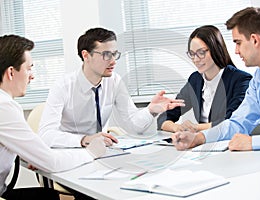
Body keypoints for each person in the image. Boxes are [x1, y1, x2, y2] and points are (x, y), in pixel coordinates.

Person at [172, 7, 260, 151]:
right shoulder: (258, 80)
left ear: (254, 40)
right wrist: (199, 138)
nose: (236, 51)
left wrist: (253, 143)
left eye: (238, 43)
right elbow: (237, 123)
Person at [38, 27, 184, 148]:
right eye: (106, 55)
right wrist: (84, 139)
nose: (113, 61)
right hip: (70, 152)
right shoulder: (63, 86)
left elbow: (133, 125)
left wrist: (151, 110)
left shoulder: (114, 81)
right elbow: (46, 135)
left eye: (114, 54)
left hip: (102, 152)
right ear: (86, 55)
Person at [0, 34, 106, 200]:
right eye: (29, 68)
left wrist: (32, 154)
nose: (32, 76)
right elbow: (51, 162)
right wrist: (91, 153)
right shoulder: (4, 106)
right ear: (11, 73)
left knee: (48, 195)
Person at [157, 25, 252, 133]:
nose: (196, 59)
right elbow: (164, 118)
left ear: (216, 49)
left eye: (201, 53)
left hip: (229, 144)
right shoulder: (195, 80)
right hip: (202, 143)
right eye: (192, 54)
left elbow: (231, 122)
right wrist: (177, 128)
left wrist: (195, 128)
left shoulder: (241, 80)